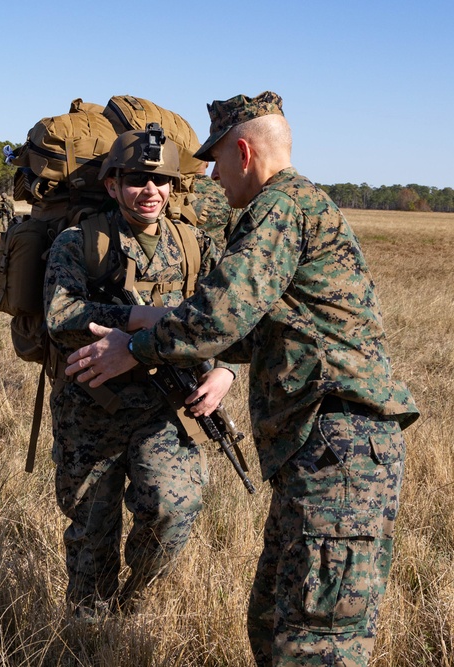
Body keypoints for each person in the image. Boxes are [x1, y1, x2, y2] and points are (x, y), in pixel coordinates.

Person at [64, 92, 419, 665]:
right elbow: (255, 329)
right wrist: (158, 325)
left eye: (216, 160)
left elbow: (219, 317)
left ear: (244, 152)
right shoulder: (296, 206)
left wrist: (137, 344)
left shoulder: (280, 208)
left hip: (341, 446)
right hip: (318, 446)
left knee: (315, 642)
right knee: (274, 621)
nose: (210, 174)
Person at [44, 125, 233, 619]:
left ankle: (134, 602)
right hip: (90, 407)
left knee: (174, 507)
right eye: (136, 180)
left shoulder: (193, 244)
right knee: (92, 531)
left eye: (162, 180)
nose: (150, 191)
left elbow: (232, 317)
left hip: (163, 407)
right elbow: (60, 317)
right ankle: (88, 631)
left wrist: (226, 371)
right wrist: (134, 318)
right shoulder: (80, 241)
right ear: (111, 185)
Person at [191, 161, 236, 255]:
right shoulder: (227, 194)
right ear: (207, 163)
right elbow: (234, 236)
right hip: (213, 263)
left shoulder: (172, 192)